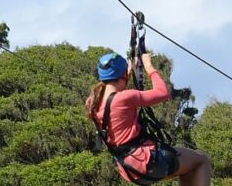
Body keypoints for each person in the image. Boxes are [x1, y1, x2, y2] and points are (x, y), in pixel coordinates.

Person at [85, 52, 211, 185]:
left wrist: (126, 73)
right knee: (201, 160)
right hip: (146, 161)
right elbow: (163, 93)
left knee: (187, 168)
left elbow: (114, 98)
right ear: (121, 75)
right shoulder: (124, 98)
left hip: (128, 168)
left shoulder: (93, 102)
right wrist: (148, 66)